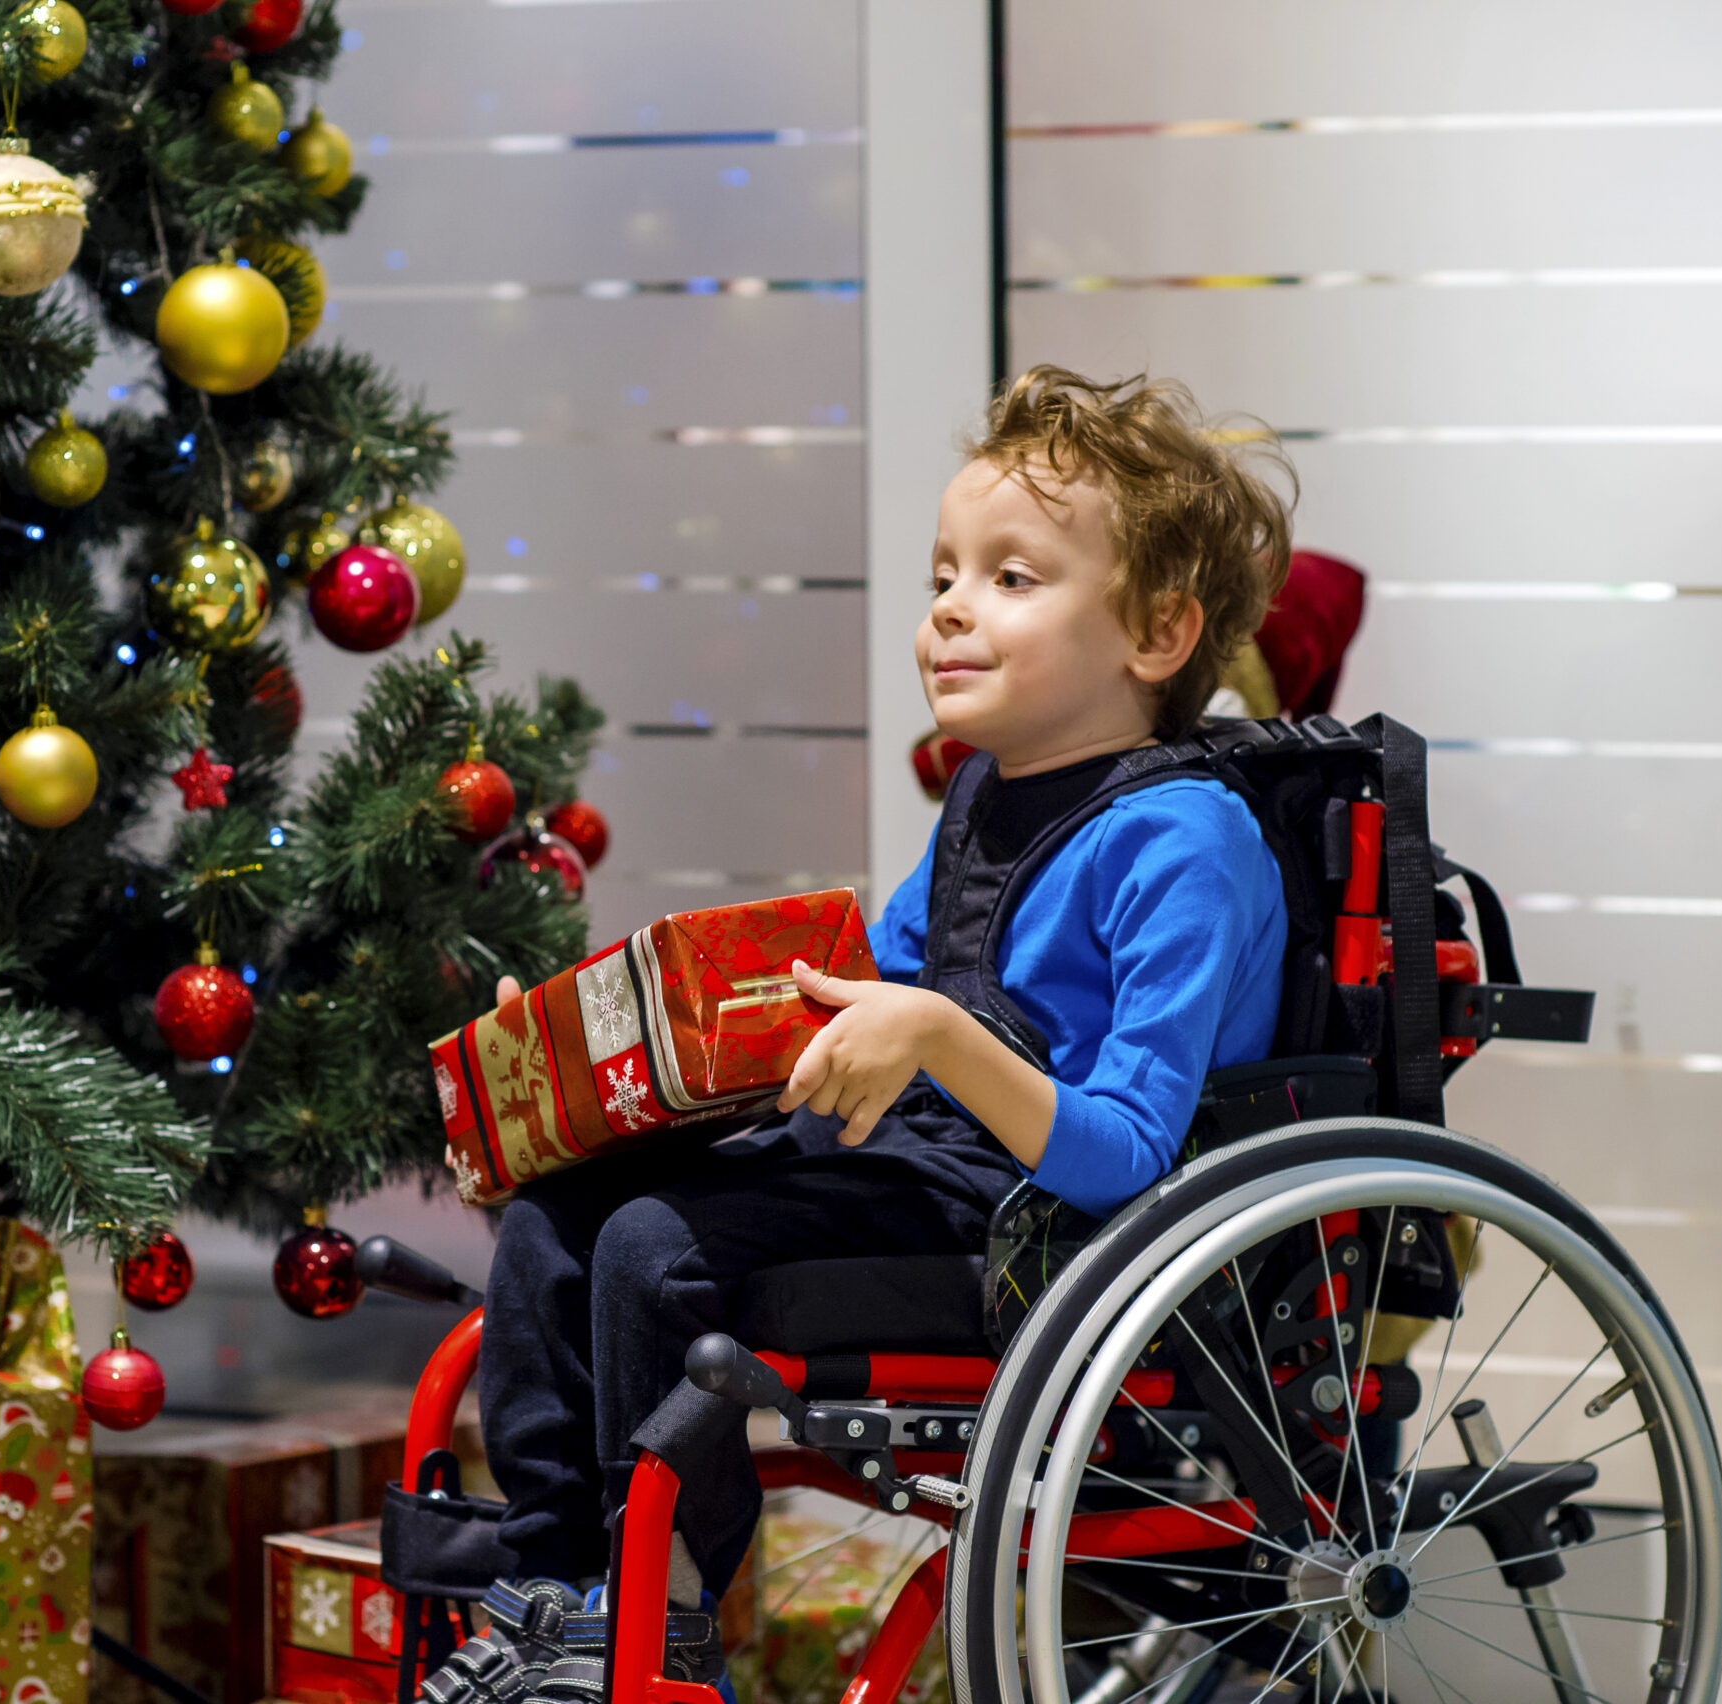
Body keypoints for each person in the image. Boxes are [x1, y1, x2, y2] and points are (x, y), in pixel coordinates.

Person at [427, 368, 1297, 1704]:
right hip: (919, 1188)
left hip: (1047, 1244)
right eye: (945, 571)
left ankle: (661, 1620)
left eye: (1011, 578)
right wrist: (588, 1062)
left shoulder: (1186, 841)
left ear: (1161, 633)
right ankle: (554, 1585)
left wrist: (939, 1038)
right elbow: (826, 1024)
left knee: (658, 1251)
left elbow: (1130, 1149)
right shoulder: (986, 803)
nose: (948, 604)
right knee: (563, 1206)